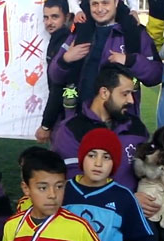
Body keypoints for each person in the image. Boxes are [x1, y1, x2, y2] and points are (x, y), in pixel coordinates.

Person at [50, 0, 162, 116]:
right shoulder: (79, 33)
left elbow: (156, 75)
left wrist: (131, 61)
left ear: (116, 2)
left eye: (105, 3)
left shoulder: (135, 33)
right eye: (95, 4)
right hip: (81, 117)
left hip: (121, 120)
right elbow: (55, 76)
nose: (100, 9)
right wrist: (65, 59)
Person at [52, 63, 149, 191]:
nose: (131, 101)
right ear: (104, 93)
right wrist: (126, 199)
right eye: (125, 94)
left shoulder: (136, 127)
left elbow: (149, 171)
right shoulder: (71, 130)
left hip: (132, 208)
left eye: (132, 93)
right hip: (89, 208)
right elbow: (72, 182)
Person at [36, 0, 74, 144]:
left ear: (66, 17)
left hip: (67, 112)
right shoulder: (56, 39)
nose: (49, 22)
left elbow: (58, 86)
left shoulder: (64, 41)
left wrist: (46, 125)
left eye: (54, 17)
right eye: (46, 17)